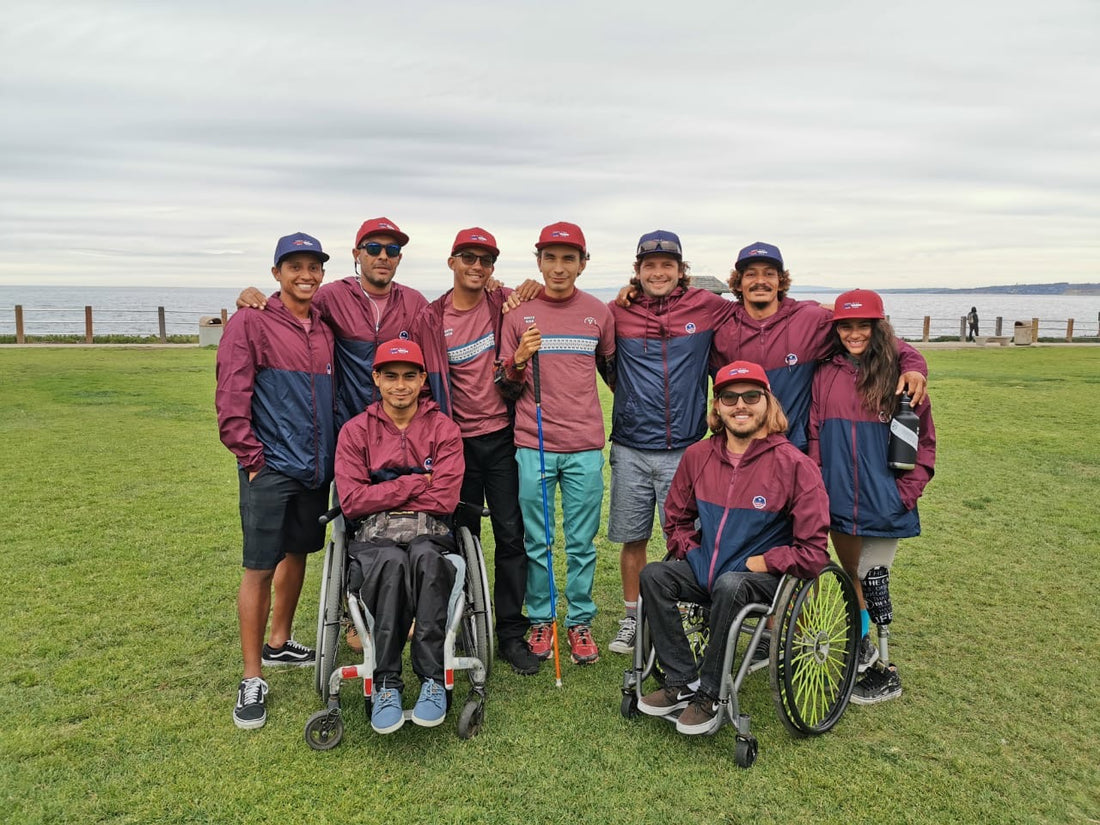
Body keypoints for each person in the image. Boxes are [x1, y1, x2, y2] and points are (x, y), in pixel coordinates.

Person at [638, 360, 831, 734]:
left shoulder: (795, 465)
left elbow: (813, 553)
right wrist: (691, 550)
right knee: (655, 575)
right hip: (706, 568)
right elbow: (676, 518)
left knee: (731, 583)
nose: (740, 405)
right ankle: (682, 680)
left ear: (768, 404)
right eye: (729, 397)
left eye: (751, 396)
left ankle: (710, 694)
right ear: (718, 408)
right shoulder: (698, 456)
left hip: (760, 577)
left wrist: (765, 561)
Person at [215, 232, 336, 730]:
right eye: (295, 267)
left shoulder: (324, 327)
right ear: (276, 274)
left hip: (315, 469)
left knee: (299, 552)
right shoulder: (251, 320)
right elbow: (231, 397)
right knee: (259, 566)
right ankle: (251, 675)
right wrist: (252, 457)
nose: (306, 276)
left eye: (314, 267)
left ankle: (280, 642)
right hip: (270, 469)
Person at [411, 227, 540, 676]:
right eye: (468, 258)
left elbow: (538, 298)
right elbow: (423, 383)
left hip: (503, 437)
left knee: (510, 536)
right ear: (452, 262)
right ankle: (462, 621)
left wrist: (534, 286)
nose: (477, 267)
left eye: (485, 261)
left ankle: (509, 631)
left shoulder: (501, 304)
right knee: (458, 537)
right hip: (455, 444)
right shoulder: (430, 317)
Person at [605, 230, 736, 655]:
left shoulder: (707, 306)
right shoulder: (616, 313)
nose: (658, 272)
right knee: (634, 537)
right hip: (630, 446)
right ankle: (632, 618)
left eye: (667, 265)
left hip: (687, 448)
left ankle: (689, 611)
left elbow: (761, 315)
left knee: (689, 538)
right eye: (649, 266)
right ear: (637, 271)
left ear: (681, 270)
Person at [808, 289, 936, 703]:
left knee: (872, 576)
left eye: (864, 324)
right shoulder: (825, 370)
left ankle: (886, 669)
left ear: (879, 326)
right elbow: (814, 434)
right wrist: (817, 483)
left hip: (885, 501)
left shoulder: (902, 374)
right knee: (851, 576)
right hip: (838, 499)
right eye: (846, 325)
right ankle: (862, 643)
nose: (854, 333)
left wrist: (904, 494)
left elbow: (924, 444)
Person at [498, 221, 616, 665]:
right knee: (538, 540)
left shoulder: (599, 313)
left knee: (582, 541)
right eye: (551, 258)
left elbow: (612, 373)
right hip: (534, 444)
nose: (559, 267)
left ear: (583, 264)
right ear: (538, 261)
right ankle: (542, 619)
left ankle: (579, 620)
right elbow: (504, 387)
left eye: (569, 258)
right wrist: (518, 361)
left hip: (584, 445)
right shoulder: (517, 314)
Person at [334, 339, 465, 734]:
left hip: (431, 531)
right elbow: (354, 502)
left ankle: (431, 678)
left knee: (426, 559)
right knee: (390, 562)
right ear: (376, 379)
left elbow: (444, 498)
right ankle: (386, 680)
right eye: (390, 377)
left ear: (423, 379)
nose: (400, 385)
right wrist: (413, 483)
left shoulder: (444, 429)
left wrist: (384, 490)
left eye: (410, 376)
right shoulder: (356, 432)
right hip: (376, 536)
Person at [712, 242, 929, 452]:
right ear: (738, 283)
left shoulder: (811, 319)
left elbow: (876, 338)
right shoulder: (721, 325)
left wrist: (913, 366)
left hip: (793, 449)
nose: (760, 281)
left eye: (769, 273)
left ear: (781, 281)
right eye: (751, 274)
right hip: (739, 448)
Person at [237, 217, 428, 428]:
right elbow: (291, 311)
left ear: (399, 258)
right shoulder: (332, 297)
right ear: (357, 255)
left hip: (399, 425)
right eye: (373, 249)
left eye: (391, 250)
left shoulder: (415, 303)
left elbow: (433, 358)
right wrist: (256, 302)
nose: (383, 256)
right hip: (345, 426)